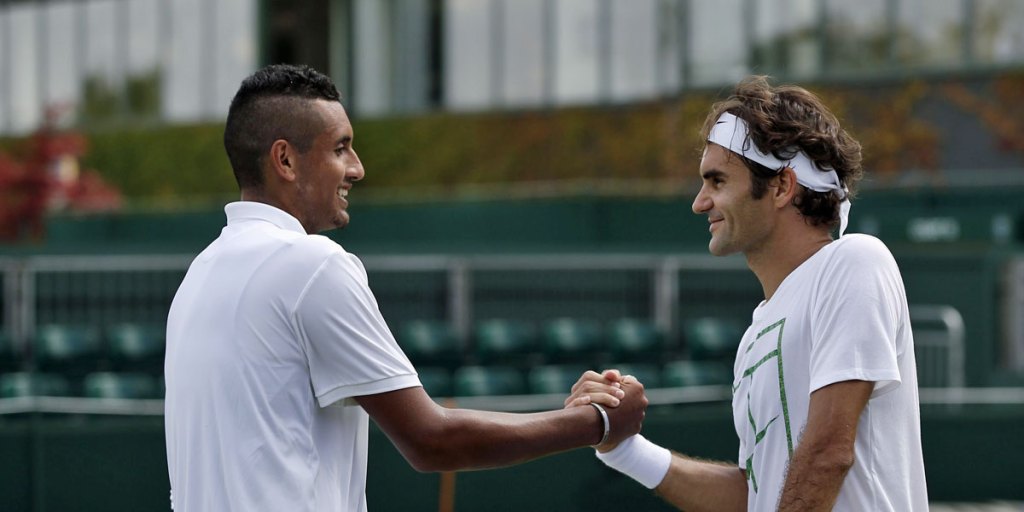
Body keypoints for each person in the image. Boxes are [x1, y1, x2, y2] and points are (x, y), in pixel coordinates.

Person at [163, 64, 648, 512]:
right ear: (285, 160)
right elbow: (431, 439)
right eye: (340, 148)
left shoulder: (198, 277)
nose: (357, 168)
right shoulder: (312, 264)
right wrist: (598, 422)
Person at [566, 76, 928, 511]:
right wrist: (625, 449)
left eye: (717, 181)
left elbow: (828, 453)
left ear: (781, 187)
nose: (700, 202)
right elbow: (758, 496)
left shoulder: (854, 260)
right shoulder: (756, 333)